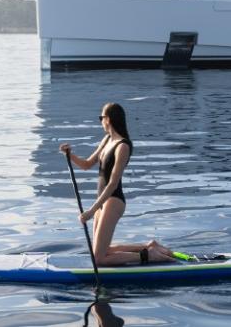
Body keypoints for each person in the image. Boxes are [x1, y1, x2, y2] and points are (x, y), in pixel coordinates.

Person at [59, 102, 175, 266]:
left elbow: (113, 183)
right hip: (102, 202)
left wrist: (91, 211)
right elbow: (86, 165)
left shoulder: (123, 146)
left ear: (109, 119)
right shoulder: (107, 140)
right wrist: (70, 155)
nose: (100, 121)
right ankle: (149, 246)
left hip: (113, 201)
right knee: (100, 253)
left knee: (99, 260)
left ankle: (148, 256)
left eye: (101, 118)